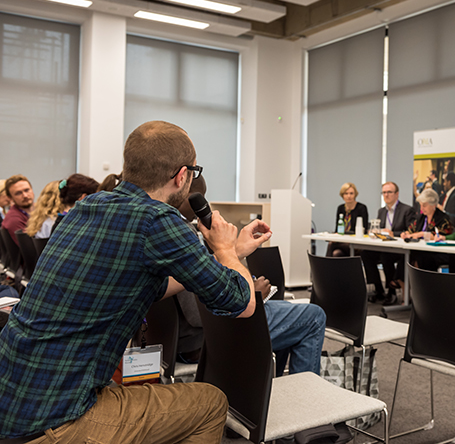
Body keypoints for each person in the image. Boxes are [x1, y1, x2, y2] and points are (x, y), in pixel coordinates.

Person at [0, 121, 271, 441]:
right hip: (56, 416)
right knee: (210, 403)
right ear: (182, 176)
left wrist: (227, 255)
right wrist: (227, 250)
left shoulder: (88, 206)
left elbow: (153, 285)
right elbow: (243, 303)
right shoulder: (158, 220)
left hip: (12, 395)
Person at [175, 175, 326, 375]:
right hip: (205, 339)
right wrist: (250, 295)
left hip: (183, 339)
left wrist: (232, 251)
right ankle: (301, 400)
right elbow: (197, 314)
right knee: (313, 317)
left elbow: (193, 280)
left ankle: (272, 387)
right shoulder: (184, 235)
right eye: (202, 198)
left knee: (287, 309)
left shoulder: (164, 227)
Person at [361, 182, 416, 305]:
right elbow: (380, 230)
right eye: (384, 192)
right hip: (384, 246)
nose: (386, 195)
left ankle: (392, 293)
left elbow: (409, 232)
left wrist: (393, 234)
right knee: (366, 254)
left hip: (399, 249)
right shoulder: (381, 211)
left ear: (397, 194)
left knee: (386, 257)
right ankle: (379, 290)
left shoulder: (407, 210)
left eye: (389, 192)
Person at [401, 188, 453, 271]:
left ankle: (419, 283)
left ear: (433, 205)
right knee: (404, 255)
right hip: (420, 250)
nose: (421, 208)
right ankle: (401, 282)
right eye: (420, 205)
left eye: (424, 205)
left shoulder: (443, 219)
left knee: (421, 257)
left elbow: (438, 236)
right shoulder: (420, 217)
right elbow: (410, 230)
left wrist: (421, 234)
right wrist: (406, 234)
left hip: (438, 252)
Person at [327, 182, 368, 258]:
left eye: (351, 193)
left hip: (355, 243)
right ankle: (331, 269)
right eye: (346, 193)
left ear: (355, 194)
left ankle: (324, 268)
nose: (349, 196)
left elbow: (364, 229)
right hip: (342, 242)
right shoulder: (341, 208)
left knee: (331, 245)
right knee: (336, 253)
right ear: (342, 195)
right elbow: (337, 228)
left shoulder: (361, 208)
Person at [1, 174, 35, 246]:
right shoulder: (13, 219)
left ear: (32, 190)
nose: (25, 195)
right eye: (18, 193)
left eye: (27, 190)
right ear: (10, 198)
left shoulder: (38, 209)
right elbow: (30, 249)